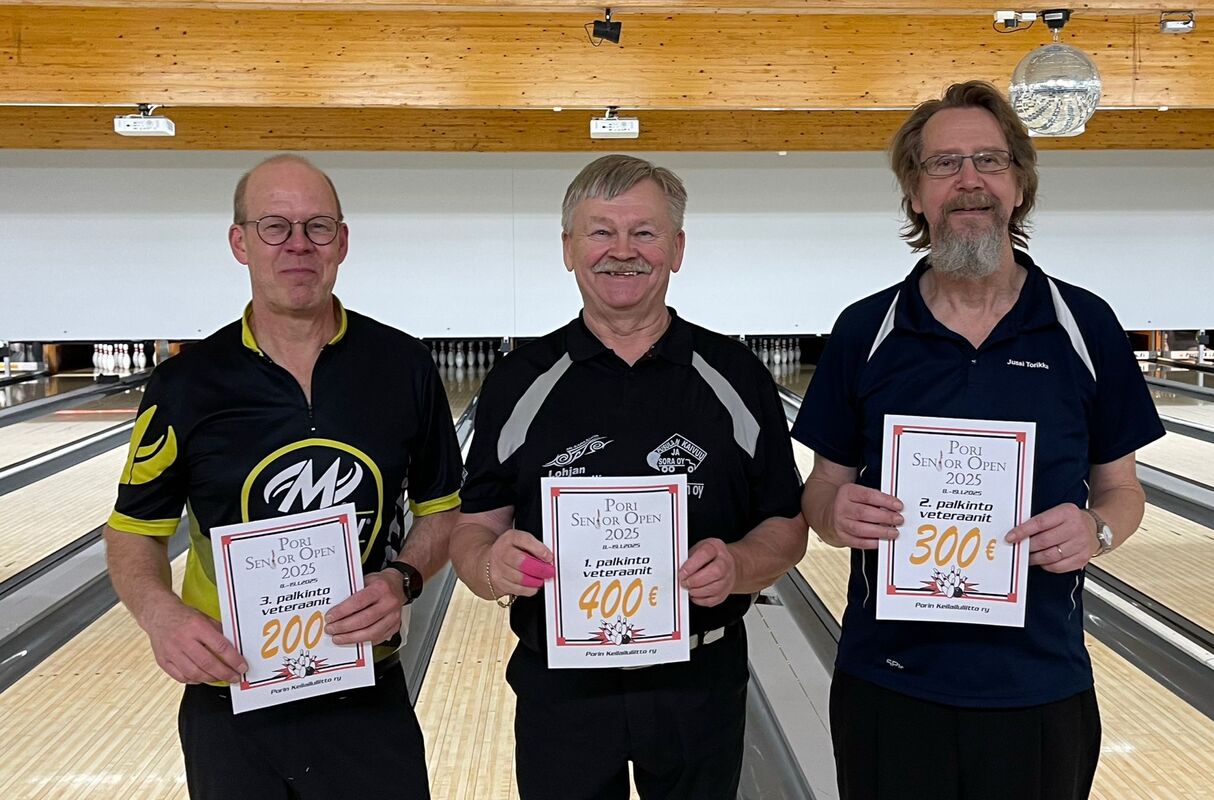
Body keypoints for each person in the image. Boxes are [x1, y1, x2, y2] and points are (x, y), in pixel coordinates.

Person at [792, 81, 1165, 799]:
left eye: (990, 160)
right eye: (944, 164)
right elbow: (821, 491)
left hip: (1040, 683)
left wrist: (1097, 530)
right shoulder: (864, 330)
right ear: (915, 193)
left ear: (1019, 185)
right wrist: (835, 517)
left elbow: (1122, 491)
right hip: (888, 683)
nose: (969, 181)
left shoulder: (1084, 325)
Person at [103, 154, 462, 799]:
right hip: (230, 695)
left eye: (318, 226)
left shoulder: (402, 366)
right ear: (240, 242)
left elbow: (442, 510)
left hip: (366, 691)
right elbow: (133, 530)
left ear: (342, 242)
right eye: (274, 226)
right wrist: (160, 615)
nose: (298, 244)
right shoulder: (185, 385)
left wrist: (403, 578)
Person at [448, 154, 807, 799]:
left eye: (644, 232)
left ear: (677, 249)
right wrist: (490, 567)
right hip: (561, 686)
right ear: (568, 249)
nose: (622, 251)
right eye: (600, 232)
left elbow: (786, 525)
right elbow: (474, 530)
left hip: (699, 681)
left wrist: (739, 566)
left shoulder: (736, 377)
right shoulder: (518, 382)